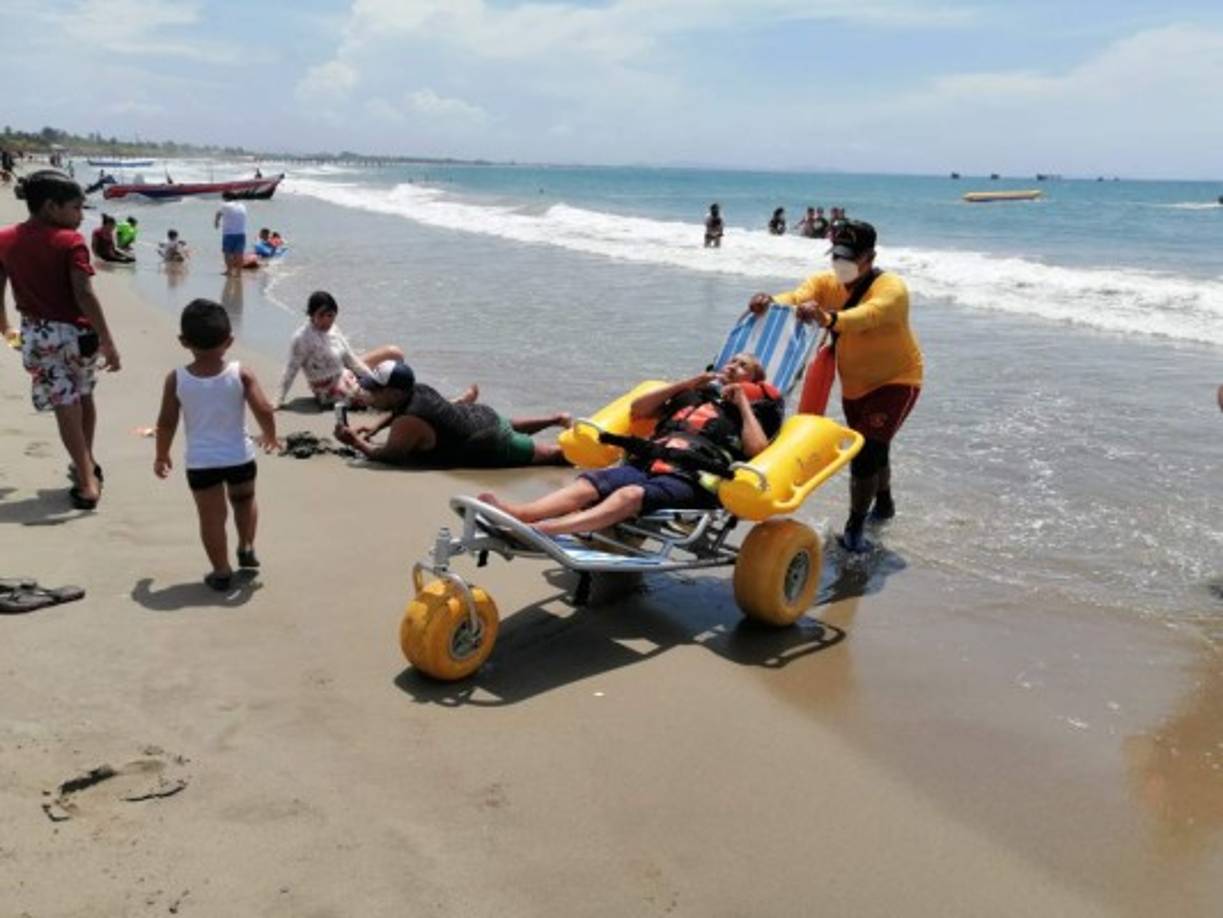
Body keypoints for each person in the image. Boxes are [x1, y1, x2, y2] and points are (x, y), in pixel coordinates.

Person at [747, 220, 922, 553]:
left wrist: (828, 318)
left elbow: (868, 316)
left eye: (849, 258)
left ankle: (854, 526)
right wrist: (769, 301)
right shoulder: (826, 283)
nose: (840, 265)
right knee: (876, 447)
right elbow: (798, 296)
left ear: (870, 256)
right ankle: (884, 504)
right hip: (854, 385)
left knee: (867, 451)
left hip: (897, 381)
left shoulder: (891, 288)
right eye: (836, 256)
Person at [480, 354, 783, 535]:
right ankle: (520, 514)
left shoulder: (754, 413)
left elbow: (757, 451)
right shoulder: (693, 395)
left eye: (742, 366)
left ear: (754, 381)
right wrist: (686, 384)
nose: (732, 366)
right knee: (589, 484)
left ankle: (546, 530)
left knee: (630, 494)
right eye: (732, 360)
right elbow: (639, 409)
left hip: (691, 480)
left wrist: (742, 402)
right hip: (647, 464)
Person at [0, 170, 121, 510]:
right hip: (80, 334)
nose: (81, 216)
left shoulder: (5, 238)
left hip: (40, 333)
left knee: (65, 402)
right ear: (51, 207)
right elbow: (83, 292)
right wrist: (108, 340)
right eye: (76, 208)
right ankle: (86, 472)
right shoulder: (70, 241)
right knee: (83, 394)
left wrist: (4, 325)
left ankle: (84, 470)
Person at [154, 299, 279, 591]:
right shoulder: (241, 373)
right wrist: (270, 435)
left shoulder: (177, 379)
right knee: (245, 502)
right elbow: (264, 408)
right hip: (239, 457)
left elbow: (166, 422)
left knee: (211, 518)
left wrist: (162, 454)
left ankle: (221, 570)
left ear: (184, 341)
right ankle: (246, 545)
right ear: (230, 340)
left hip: (202, 463)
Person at [333, 360, 570, 468]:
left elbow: (388, 455)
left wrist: (354, 440)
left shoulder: (409, 422)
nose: (370, 394)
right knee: (509, 424)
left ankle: (595, 454)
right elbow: (396, 412)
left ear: (394, 392)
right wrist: (375, 428)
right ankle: (555, 419)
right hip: (482, 415)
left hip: (488, 441)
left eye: (376, 390)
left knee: (554, 455)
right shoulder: (417, 389)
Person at [277, 290, 403, 407]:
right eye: (321, 315)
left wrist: (373, 380)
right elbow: (290, 370)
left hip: (346, 374)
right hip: (331, 390)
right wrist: (278, 400)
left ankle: (388, 386)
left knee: (394, 353)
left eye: (330, 315)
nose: (327, 320)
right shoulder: (301, 338)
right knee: (391, 399)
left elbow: (351, 359)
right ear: (311, 314)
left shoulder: (334, 330)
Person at [214, 193, 248, 277]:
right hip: (241, 233)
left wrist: (216, 222)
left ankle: (229, 271)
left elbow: (218, 213)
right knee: (239, 254)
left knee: (227, 253)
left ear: (226, 198)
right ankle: (239, 273)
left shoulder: (225, 205)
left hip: (229, 233)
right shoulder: (242, 205)